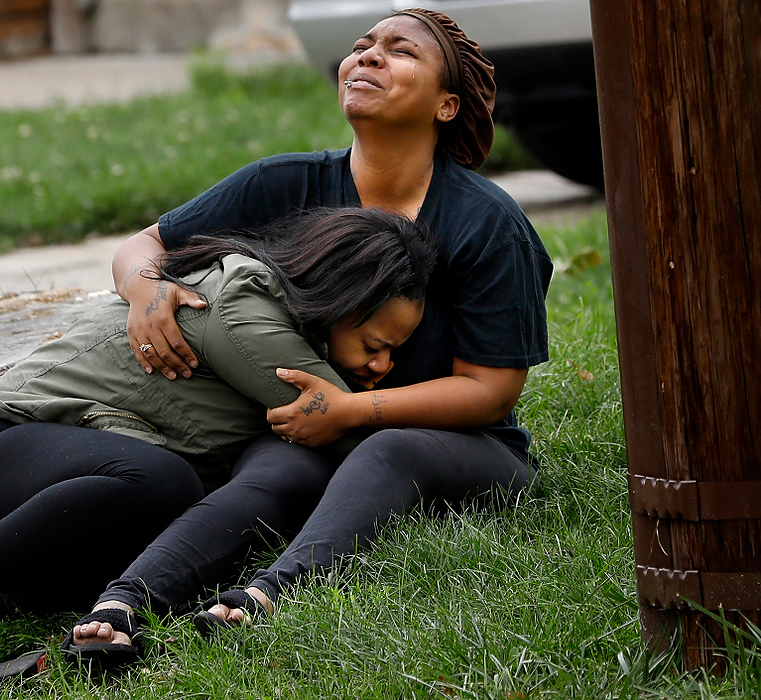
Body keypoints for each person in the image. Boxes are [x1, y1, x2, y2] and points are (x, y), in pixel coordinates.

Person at [65, 7, 552, 664]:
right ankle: (119, 606)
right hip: (311, 427)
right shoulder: (286, 183)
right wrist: (147, 288)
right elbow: (146, 245)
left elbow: (490, 391)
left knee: (388, 452)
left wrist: (356, 410)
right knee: (272, 469)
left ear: (446, 105)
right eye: (362, 45)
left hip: (462, 446)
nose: (369, 55)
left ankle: (265, 597)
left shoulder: (487, 224)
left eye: (401, 51)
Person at [0, 207, 436, 653]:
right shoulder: (244, 307)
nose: (380, 369)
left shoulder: (291, 328)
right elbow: (359, 436)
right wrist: (474, 439)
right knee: (164, 481)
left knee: (199, 536)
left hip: (53, 494)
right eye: (375, 345)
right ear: (339, 301)